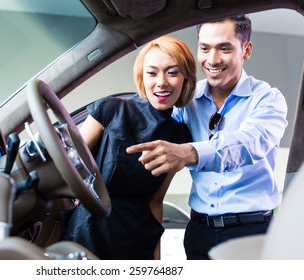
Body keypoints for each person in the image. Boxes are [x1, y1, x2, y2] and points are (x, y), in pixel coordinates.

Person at [126, 15, 288, 259]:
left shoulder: (268, 99)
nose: (212, 60)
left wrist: (190, 152)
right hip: (198, 233)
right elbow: (151, 128)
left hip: (252, 232)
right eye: (204, 48)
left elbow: (250, 143)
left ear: (247, 50)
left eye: (224, 48)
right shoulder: (185, 101)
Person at [63, 36, 197, 260]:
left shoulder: (179, 136)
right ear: (141, 77)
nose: (161, 82)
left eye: (172, 72)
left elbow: (155, 201)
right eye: (152, 73)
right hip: (89, 230)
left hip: (138, 239)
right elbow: (70, 166)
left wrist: (156, 261)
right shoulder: (109, 109)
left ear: (185, 78)